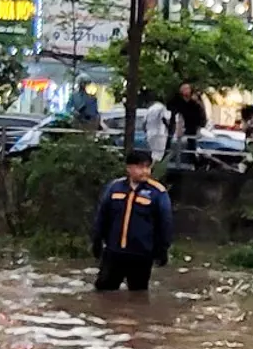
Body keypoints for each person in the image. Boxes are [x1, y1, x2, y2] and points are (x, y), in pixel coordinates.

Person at [90, 150, 173, 292]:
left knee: (138, 295)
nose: (145, 171)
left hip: (141, 255)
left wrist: (162, 249)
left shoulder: (158, 192)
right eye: (140, 167)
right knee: (103, 292)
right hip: (114, 252)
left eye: (147, 167)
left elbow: (165, 223)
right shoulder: (114, 187)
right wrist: (97, 240)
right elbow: (102, 216)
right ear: (129, 168)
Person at [170, 83, 209, 148]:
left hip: (194, 126)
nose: (186, 90)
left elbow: (201, 113)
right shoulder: (180, 102)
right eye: (184, 89)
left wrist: (200, 125)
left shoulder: (195, 102)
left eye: (187, 89)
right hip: (184, 126)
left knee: (191, 144)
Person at [141, 91, 173, 164]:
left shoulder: (150, 109)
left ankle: (150, 169)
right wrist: (169, 129)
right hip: (159, 133)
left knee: (153, 153)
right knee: (159, 155)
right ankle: (152, 171)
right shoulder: (162, 108)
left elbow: (143, 124)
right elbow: (165, 119)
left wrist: (146, 133)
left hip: (150, 134)